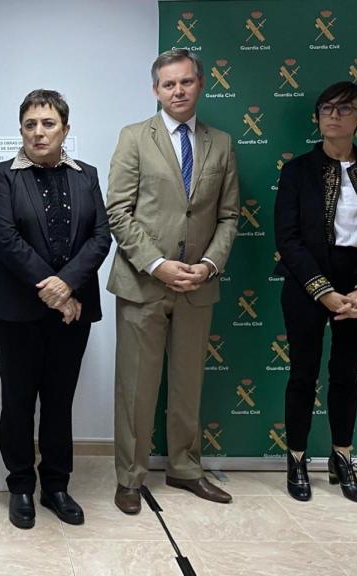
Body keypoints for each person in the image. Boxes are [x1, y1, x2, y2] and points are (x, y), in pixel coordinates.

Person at [106, 49, 239, 514]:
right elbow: (117, 212)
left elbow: (228, 215)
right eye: (169, 84)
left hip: (198, 286)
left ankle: (185, 469)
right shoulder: (133, 138)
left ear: (200, 84)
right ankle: (129, 477)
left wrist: (209, 265)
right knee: (136, 389)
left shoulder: (220, 142)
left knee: (187, 386)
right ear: (156, 90)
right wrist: (157, 263)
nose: (178, 91)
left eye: (185, 82)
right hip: (143, 284)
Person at [0, 89, 112, 529]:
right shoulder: (3, 176)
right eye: (31, 124)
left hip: (72, 314)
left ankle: (56, 485)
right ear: (21, 130)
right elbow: (7, 239)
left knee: (59, 401)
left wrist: (69, 285)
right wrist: (58, 292)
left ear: (65, 130)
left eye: (48, 123)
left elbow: (100, 237)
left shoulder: (87, 175)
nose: (39, 132)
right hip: (16, 311)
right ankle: (20, 486)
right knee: (17, 401)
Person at [274, 81, 357, 503]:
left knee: (347, 375)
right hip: (308, 282)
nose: (333, 115)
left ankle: (342, 458)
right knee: (303, 374)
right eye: (326, 108)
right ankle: (296, 459)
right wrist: (324, 292)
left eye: (344, 110)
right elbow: (287, 238)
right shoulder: (296, 171)